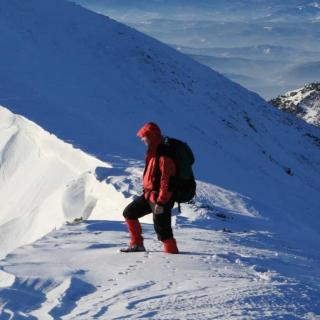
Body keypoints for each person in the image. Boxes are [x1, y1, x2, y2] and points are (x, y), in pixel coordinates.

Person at [121, 122, 179, 254]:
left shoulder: (164, 155)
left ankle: (173, 256)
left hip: (160, 198)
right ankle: (137, 245)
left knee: (163, 231)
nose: (142, 140)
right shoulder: (152, 153)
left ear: (151, 136)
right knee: (129, 213)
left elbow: (167, 181)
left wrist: (161, 202)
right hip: (149, 195)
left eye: (144, 137)